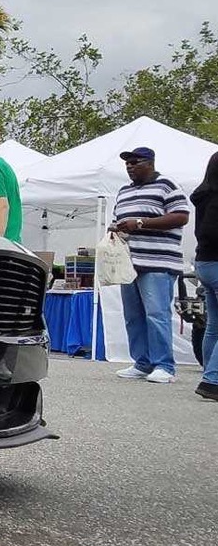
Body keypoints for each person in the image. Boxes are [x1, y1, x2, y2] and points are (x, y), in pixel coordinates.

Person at [110, 146, 191, 385]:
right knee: (133, 316)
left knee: (156, 315)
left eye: (135, 162)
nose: (130, 166)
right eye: (127, 163)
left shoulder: (167, 185)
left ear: (150, 163)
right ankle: (142, 362)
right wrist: (117, 229)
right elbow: (121, 219)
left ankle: (164, 365)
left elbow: (181, 216)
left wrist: (141, 223)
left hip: (158, 261)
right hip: (129, 262)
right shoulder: (124, 191)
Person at [191, 150, 218, 401]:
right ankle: (212, 379)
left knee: (213, 326)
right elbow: (212, 232)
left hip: (204, 262)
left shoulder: (203, 196)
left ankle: (209, 373)